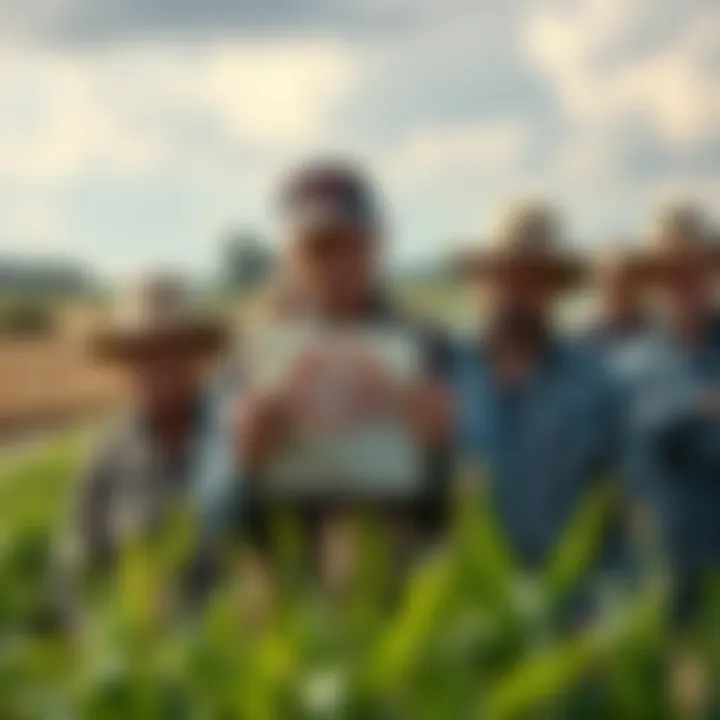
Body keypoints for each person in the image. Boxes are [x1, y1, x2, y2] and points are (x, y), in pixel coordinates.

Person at [235, 159, 452, 589]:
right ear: (290, 256)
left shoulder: (432, 349)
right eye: (317, 249)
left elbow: (474, 492)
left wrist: (442, 448)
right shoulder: (251, 357)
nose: (333, 264)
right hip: (289, 597)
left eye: (347, 245)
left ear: (377, 245)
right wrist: (244, 457)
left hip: (404, 593)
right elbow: (213, 507)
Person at [451, 202, 626, 587]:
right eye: (504, 275)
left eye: (531, 278)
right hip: (466, 612)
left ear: (554, 287)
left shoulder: (596, 384)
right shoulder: (445, 371)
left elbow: (621, 511)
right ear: (483, 280)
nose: (514, 291)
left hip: (568, 606)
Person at [57, 273, 230, 614]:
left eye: (171, 349)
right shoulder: (107, 452)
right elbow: (74, 570)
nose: (156, 366)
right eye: (142, 352)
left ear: (197, 354)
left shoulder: (239, 434)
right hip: (138, 652)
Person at [622, 203, 720, 619]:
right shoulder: (628, 362)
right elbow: (629, 445)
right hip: (654, 572)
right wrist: (697, 407)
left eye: (692, 268)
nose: (682, 282)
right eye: (669, 271)